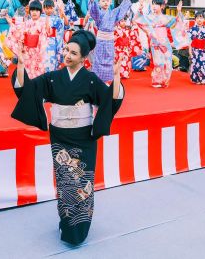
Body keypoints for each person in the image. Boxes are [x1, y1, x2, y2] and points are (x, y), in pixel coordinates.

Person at [11, 29, 124, 245]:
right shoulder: (54, 78)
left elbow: (110, 100)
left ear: (83, 58)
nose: (67, 55)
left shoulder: (90, 80)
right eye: (66, 50)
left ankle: (80, 228)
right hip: (60, 138)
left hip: (83, 139)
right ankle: (67, 224)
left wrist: (116, 78)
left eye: (73, 53)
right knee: (65, 184)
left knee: (82, 182)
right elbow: (30, 90)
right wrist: (21, 66)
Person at [134, 0, 190, 88]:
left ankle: (165, 80)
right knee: (158, 62)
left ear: (162, 6)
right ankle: (157, 81)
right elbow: (140, 20)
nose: (154, 6)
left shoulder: (166, 18)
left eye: (156, 4)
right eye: (153, 4)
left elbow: (177, 23)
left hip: (165, 43)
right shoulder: (150, 17)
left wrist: (179, 11)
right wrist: (140, 10)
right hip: (155, 43)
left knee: (167, 62)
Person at [89, 0, 132, 82]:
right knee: (98, 60)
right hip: (100, 40)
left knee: (109, 61)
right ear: (99, 2)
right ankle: (97, 81)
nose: (105, 3)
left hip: (109, 41)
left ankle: (108, 82)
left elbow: (121, 9)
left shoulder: (113, 12)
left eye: (107, 1)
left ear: (110, 2)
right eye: (103, 1)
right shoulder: (99, 13)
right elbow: (93, 10)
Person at [6, 0, 47, 79]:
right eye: (32, 10)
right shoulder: (26, 23)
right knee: (27, 73)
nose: (34, 12)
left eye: (37, 10)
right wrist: (11, 24)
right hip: (27, 52)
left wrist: (40, 52)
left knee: (37, 74)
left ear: (40, 12)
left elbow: (43, 40)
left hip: (37, 52)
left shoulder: (42, 24)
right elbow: (18, 32)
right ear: (29, 11)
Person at [41, 0, 65, 72]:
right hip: (41, 43)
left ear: (53, 8)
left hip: (52, 43)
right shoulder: (40, 18)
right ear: (43, 8)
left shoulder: (57, 19)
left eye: (51, 8)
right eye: (47, 8)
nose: (49, 10)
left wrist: (59, 49)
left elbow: (60, 33)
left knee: (52, 61)